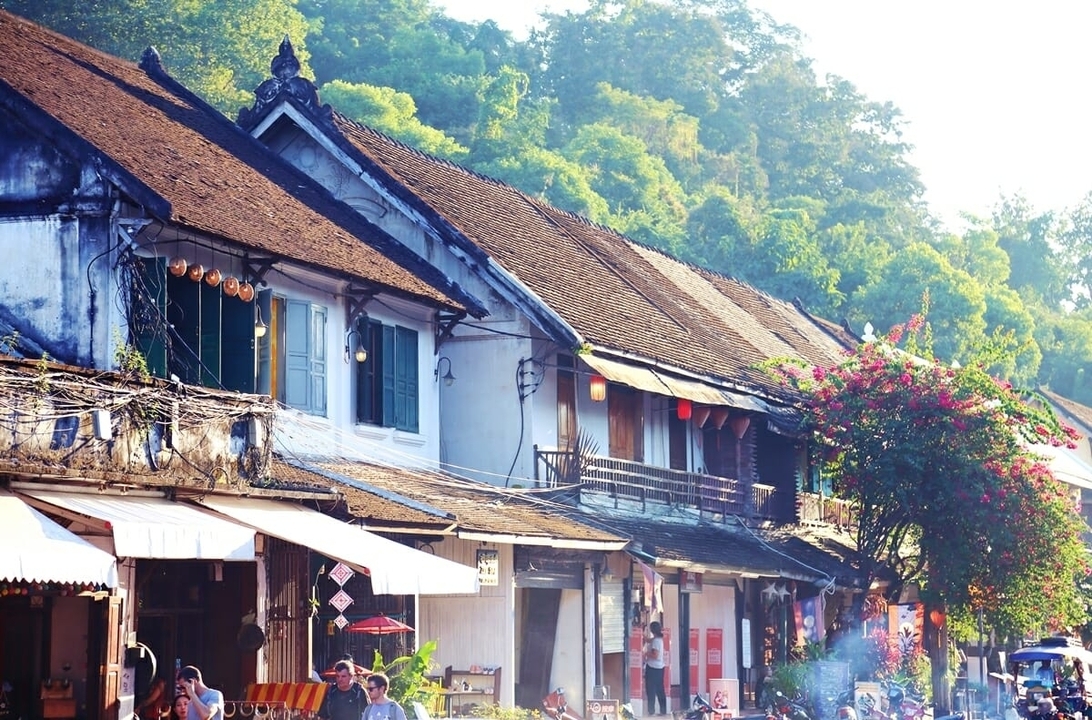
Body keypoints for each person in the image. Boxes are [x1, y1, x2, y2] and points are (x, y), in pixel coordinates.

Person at [643, 621, 667, 716]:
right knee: (660, 689)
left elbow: (655, 655)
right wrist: (642, 633)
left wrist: (645, 653)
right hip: (659, 668)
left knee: (651, 689)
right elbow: (648, 640)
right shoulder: (657, 639)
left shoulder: (656, 641)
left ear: (652, 630)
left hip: (653, 668)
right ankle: (663, 710)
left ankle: (651, 710)